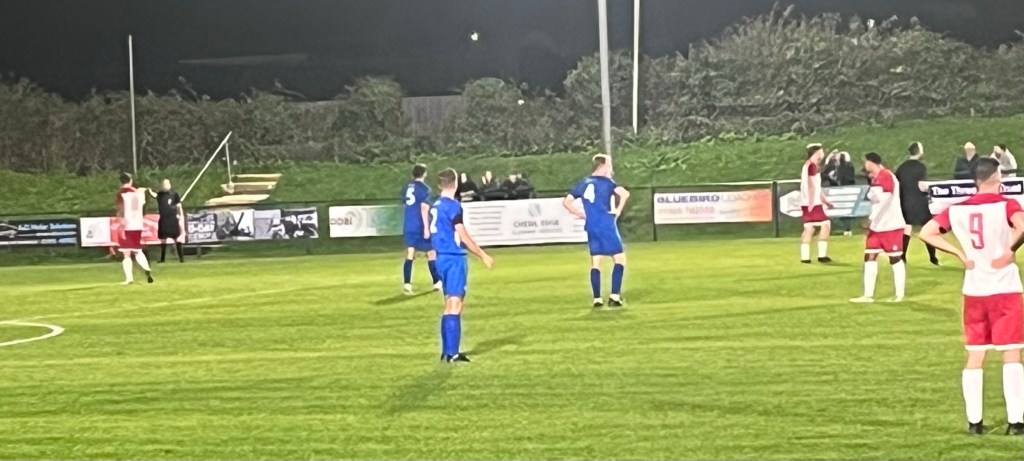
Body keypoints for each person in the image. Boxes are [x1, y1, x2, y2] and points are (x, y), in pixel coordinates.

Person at [918, 157, 1024, 436]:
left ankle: (974, 423)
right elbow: (1023, 226)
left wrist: (959, 253)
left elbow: (927, 233)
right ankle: (1016, 422)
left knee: (975, 354)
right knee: (1011, 352)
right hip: (1005, 288)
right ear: (996, 176)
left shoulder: (957, 210)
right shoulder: (1007, 204)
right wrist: (1010, 250)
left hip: (974, 290)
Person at [432, 168, 494, 363]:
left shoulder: (436, 205)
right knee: (456, 303)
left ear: (439, 185)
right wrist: (482, 254)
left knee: (449, 303)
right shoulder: (453, 206)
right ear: (456, 183)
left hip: (440, 258)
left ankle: (446, 351)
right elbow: (463, 235)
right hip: (454, 258)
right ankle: (453, 353)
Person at [564, 154, 630, 308]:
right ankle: (614, 296)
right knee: (619, 258)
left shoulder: (583, 183)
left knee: (596, 261)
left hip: (591, 225)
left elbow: (566, 202)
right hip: (606, 225)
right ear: (603, 166)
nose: (611, 169)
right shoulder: (607, 182)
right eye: (609, 165)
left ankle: (597, 298)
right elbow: (625, 194)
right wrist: (618, 210)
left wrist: (581, 214)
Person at [851, 153, 906, 303]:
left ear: (871, 162)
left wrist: (871, 218)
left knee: (895, 258)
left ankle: (899, 294)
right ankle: (868, 295)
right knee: (870, 256)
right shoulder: (876, 178)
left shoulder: (886, 176)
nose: (864, 165)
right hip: (877, 226)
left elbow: (885, 201)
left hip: (890, 225)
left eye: (866, 162)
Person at [895, 142, 939, 265]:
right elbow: (922, 185)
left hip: (905, 200)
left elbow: (897, 183)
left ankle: (902, 257)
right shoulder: (921, 167)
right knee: (927, 228)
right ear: (919, 151)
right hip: (920, 201)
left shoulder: (902, 167)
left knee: (907, 228)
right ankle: (933, 258)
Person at [402, 164, 441, 294]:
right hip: (420, 223)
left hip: (409, 223)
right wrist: (426, 228)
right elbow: (424, 208)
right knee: (431, 252)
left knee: (410, 253)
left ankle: (407, 284)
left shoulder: (406, 187)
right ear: (424, 174)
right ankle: (436, 282)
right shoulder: (424, 188)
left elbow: (406, 202)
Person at [115, 172, 154, 285]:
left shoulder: (121, 193)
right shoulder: (137, 192)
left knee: (126, 253)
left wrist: (121, 219)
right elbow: (142, 204)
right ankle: (147, 269)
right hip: (137, 223)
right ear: (131, 180)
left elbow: (121, 207)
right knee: (137, 250)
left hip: (127, 224)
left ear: (120, 182)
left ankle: (129, 278)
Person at [799, 143, 834, 263]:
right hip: (813, 203)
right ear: (816, 153)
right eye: (821, 152)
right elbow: (810, 185)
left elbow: (816, 186)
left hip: (809, 202)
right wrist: (811, 202)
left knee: (809, 228)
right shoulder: (811, 166)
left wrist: (824, 200)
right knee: (825, 224)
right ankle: (822, 255)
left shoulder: (809, 165)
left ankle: (805, 257)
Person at [150, 179, 185, 263]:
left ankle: (181, 259)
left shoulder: (174, 194)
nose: (165, 185)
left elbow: (179, 206)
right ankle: (162, 259)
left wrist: (180, 215)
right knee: (163, 239)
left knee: (177, 238)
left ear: (169, 184)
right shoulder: (160, 194)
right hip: (163, 219)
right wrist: (149, 191)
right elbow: (154, 195)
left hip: (172, 218)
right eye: (163, 184)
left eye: (166, 184)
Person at [822, 150, 856, 235]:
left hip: (845, 191)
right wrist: (828, 163)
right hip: (834, 191)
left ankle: (847, 229)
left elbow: (848, 178)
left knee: (845, 211)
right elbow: (823, 174)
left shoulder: (847, 166)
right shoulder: (832, 167)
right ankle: (831, 228)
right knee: (832, 210)